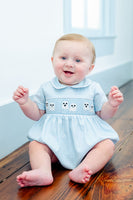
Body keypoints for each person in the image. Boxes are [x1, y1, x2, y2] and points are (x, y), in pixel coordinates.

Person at [13, 33, 123, 187]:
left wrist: (112, 104)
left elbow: (103, 114)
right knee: (36, 145)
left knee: (107, 145)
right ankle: (43, 171)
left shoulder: (93, 88)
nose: (69, 64)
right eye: (63, 58)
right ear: (53, 61)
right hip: (54, 144)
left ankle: (85, 168)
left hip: (86, 143)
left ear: (90, 68)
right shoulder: (47, 88)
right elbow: (37, 114)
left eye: (78, 60)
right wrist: (25, 103)